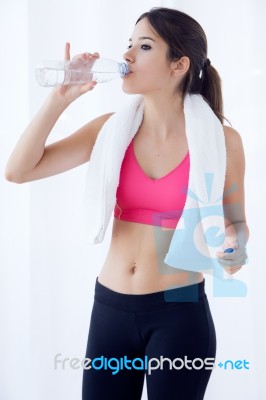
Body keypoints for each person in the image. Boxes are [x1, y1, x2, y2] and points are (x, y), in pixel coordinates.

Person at [5, 7, 249, 400]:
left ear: (179, 65)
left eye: (145, 46)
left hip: (179, 316)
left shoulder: (223, 141)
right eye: (129, 44)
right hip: (110, 311)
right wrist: (58, 100)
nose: (128, 56)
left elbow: (237, 221)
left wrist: (232, 246)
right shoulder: (108, 130)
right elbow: (18, 171)